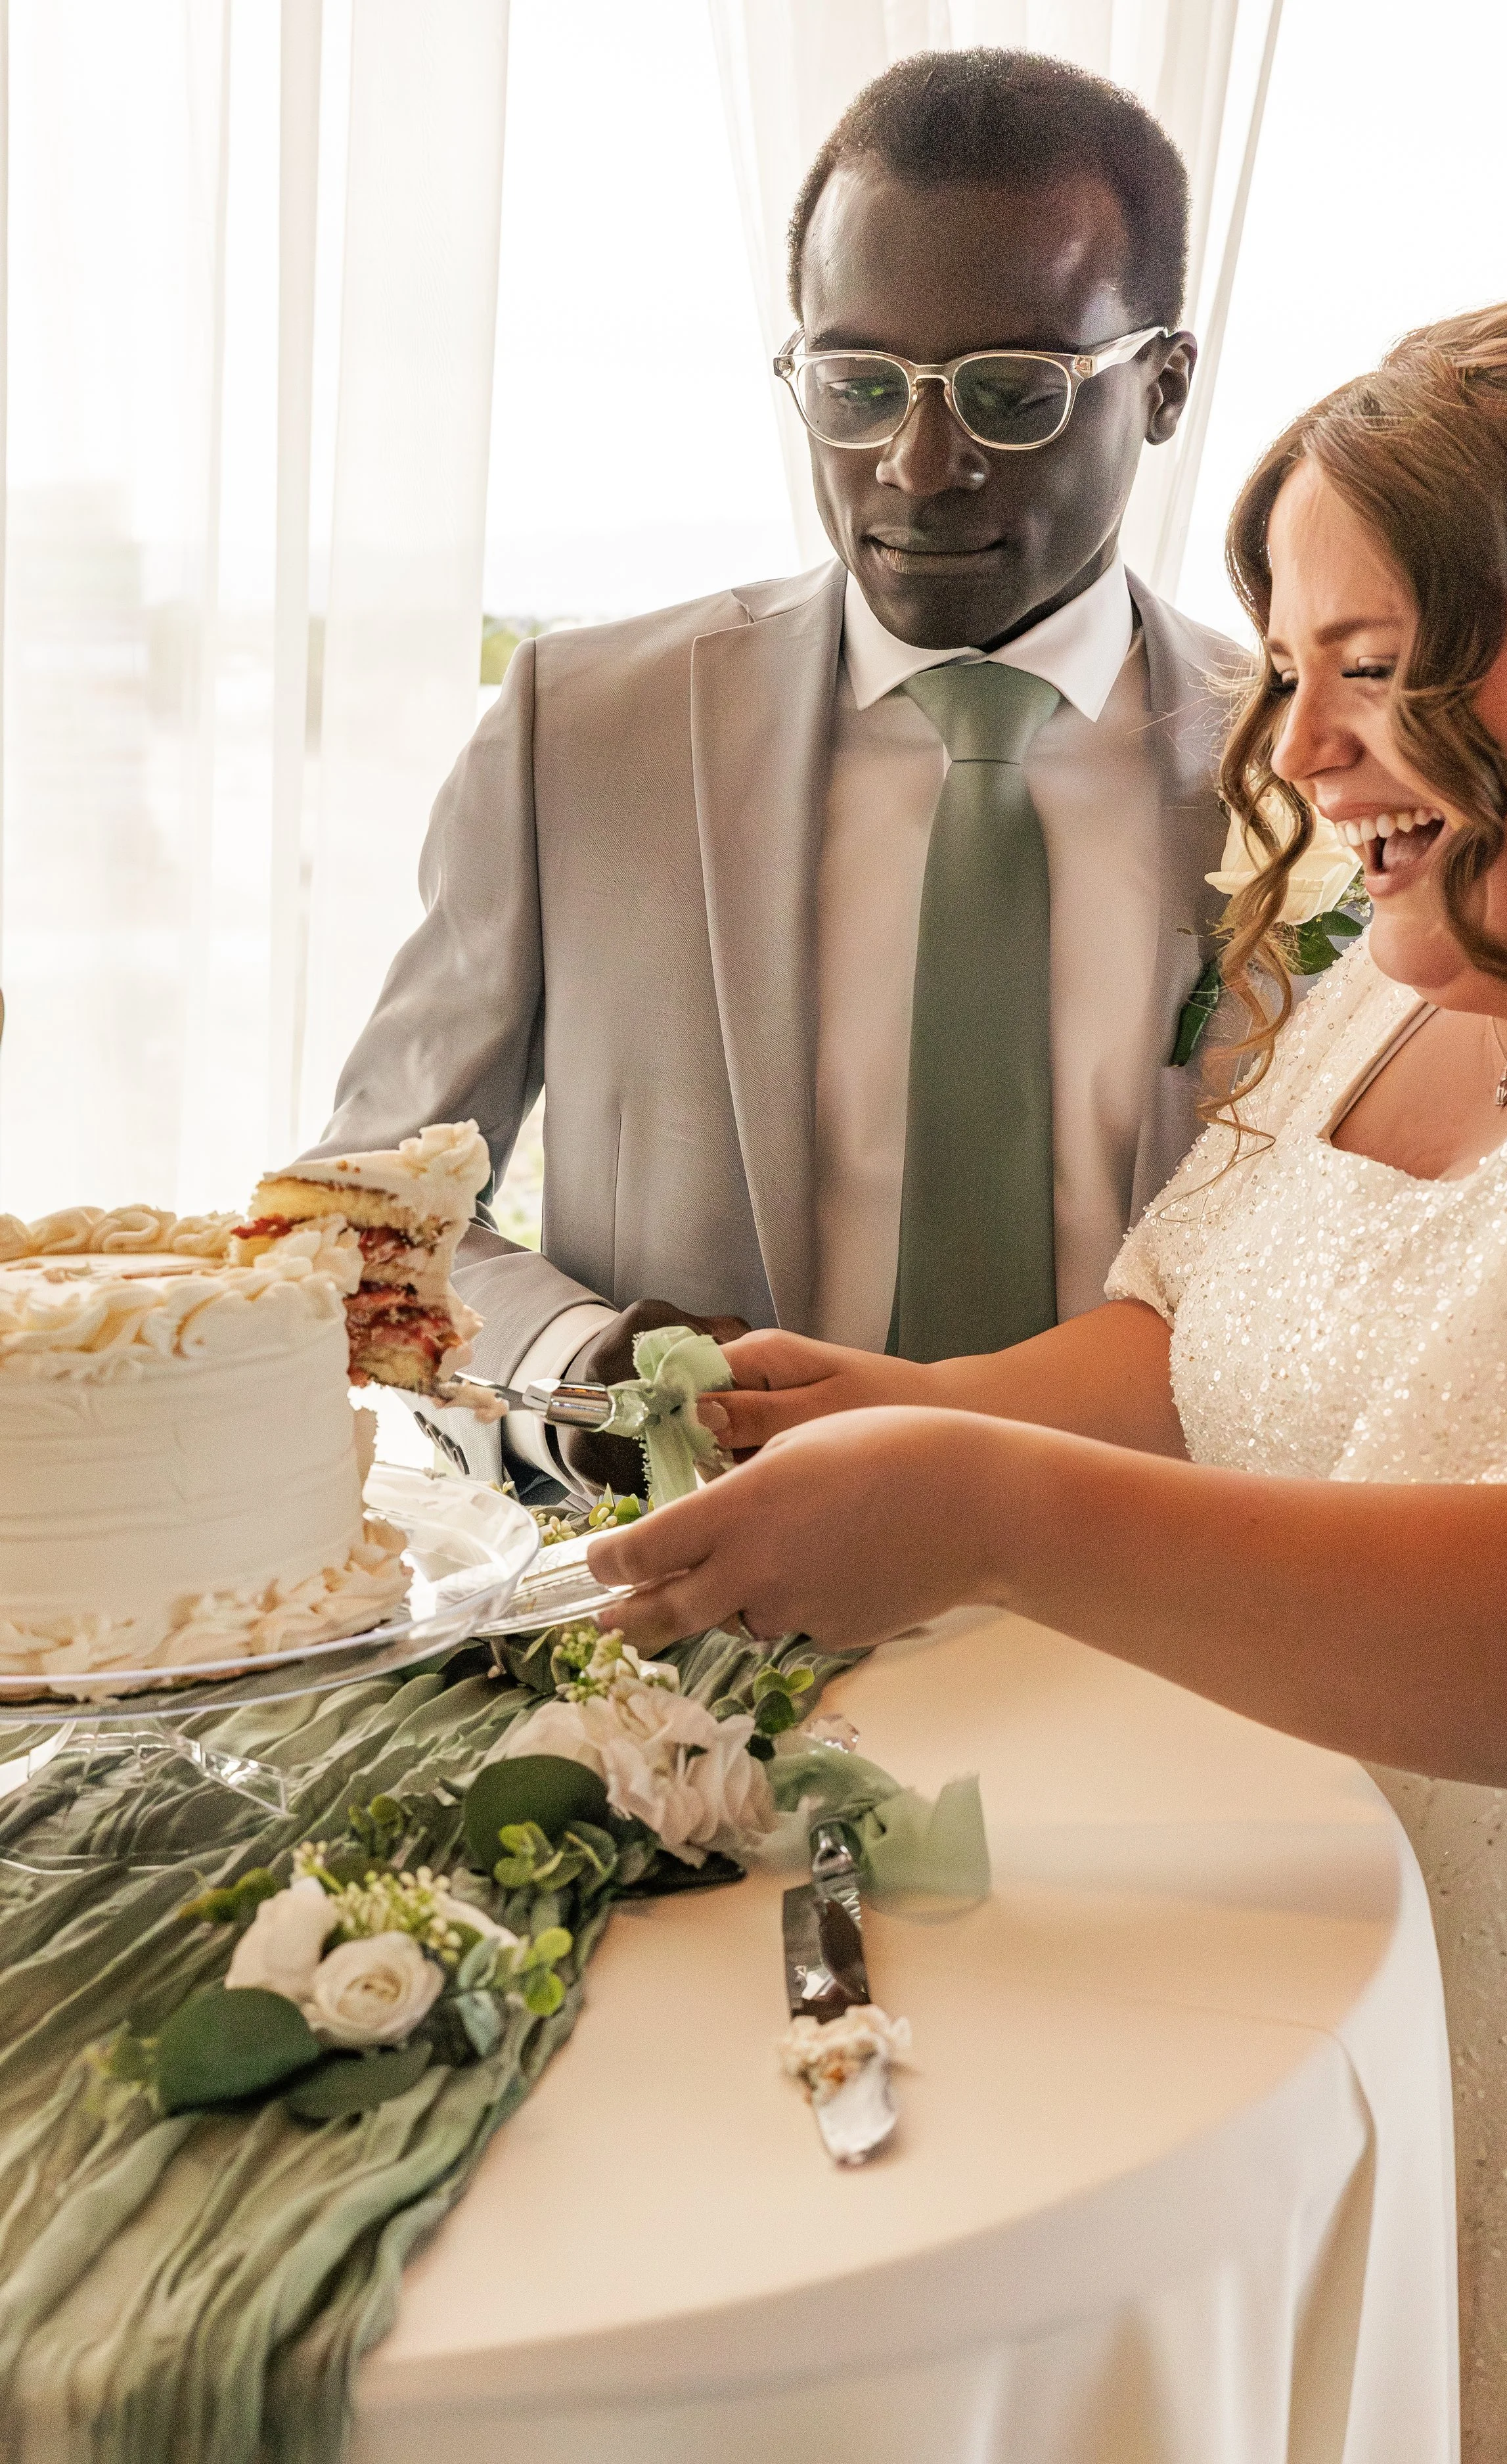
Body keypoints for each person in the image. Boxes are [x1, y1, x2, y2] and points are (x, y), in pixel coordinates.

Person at [587, 295, 1507, 2460]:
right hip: (1301, 2031)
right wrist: (906, 1400)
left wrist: (986, 1505)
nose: (1304, 746)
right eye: (1292, 663)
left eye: (1379, 665)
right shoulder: (1389, 977)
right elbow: (1191, 1336)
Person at [314, 47, 1234, 1499]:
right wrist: (575, 1369)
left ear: (1165, 383)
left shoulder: (1322, 771)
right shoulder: (584, 725)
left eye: (1009, 391)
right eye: (857, 383)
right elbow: (362, 1211)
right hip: (682, 1649)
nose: (920, 464)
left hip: (1176, 1633)